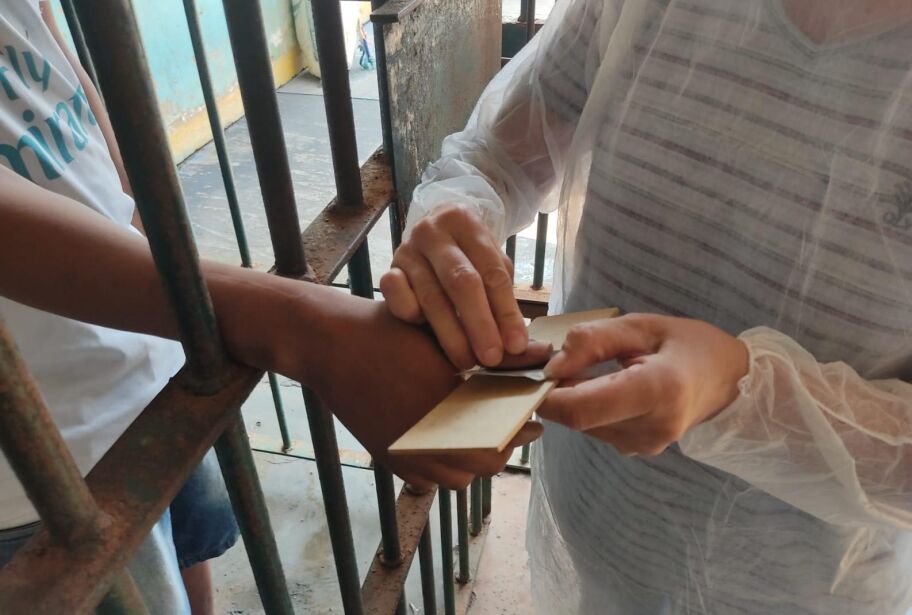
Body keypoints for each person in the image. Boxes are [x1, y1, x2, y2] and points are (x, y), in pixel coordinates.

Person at [0, 2, 542, 613]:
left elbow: (48, 37)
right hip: (34, 467)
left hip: (155, 356)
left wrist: (146, 232)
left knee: (190, 555)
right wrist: (303, 324)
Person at [381, 0, 912, 613]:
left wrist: (742, 394)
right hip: (594, 520)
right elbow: (494, 157)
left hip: (807, 591)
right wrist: (456, 224)